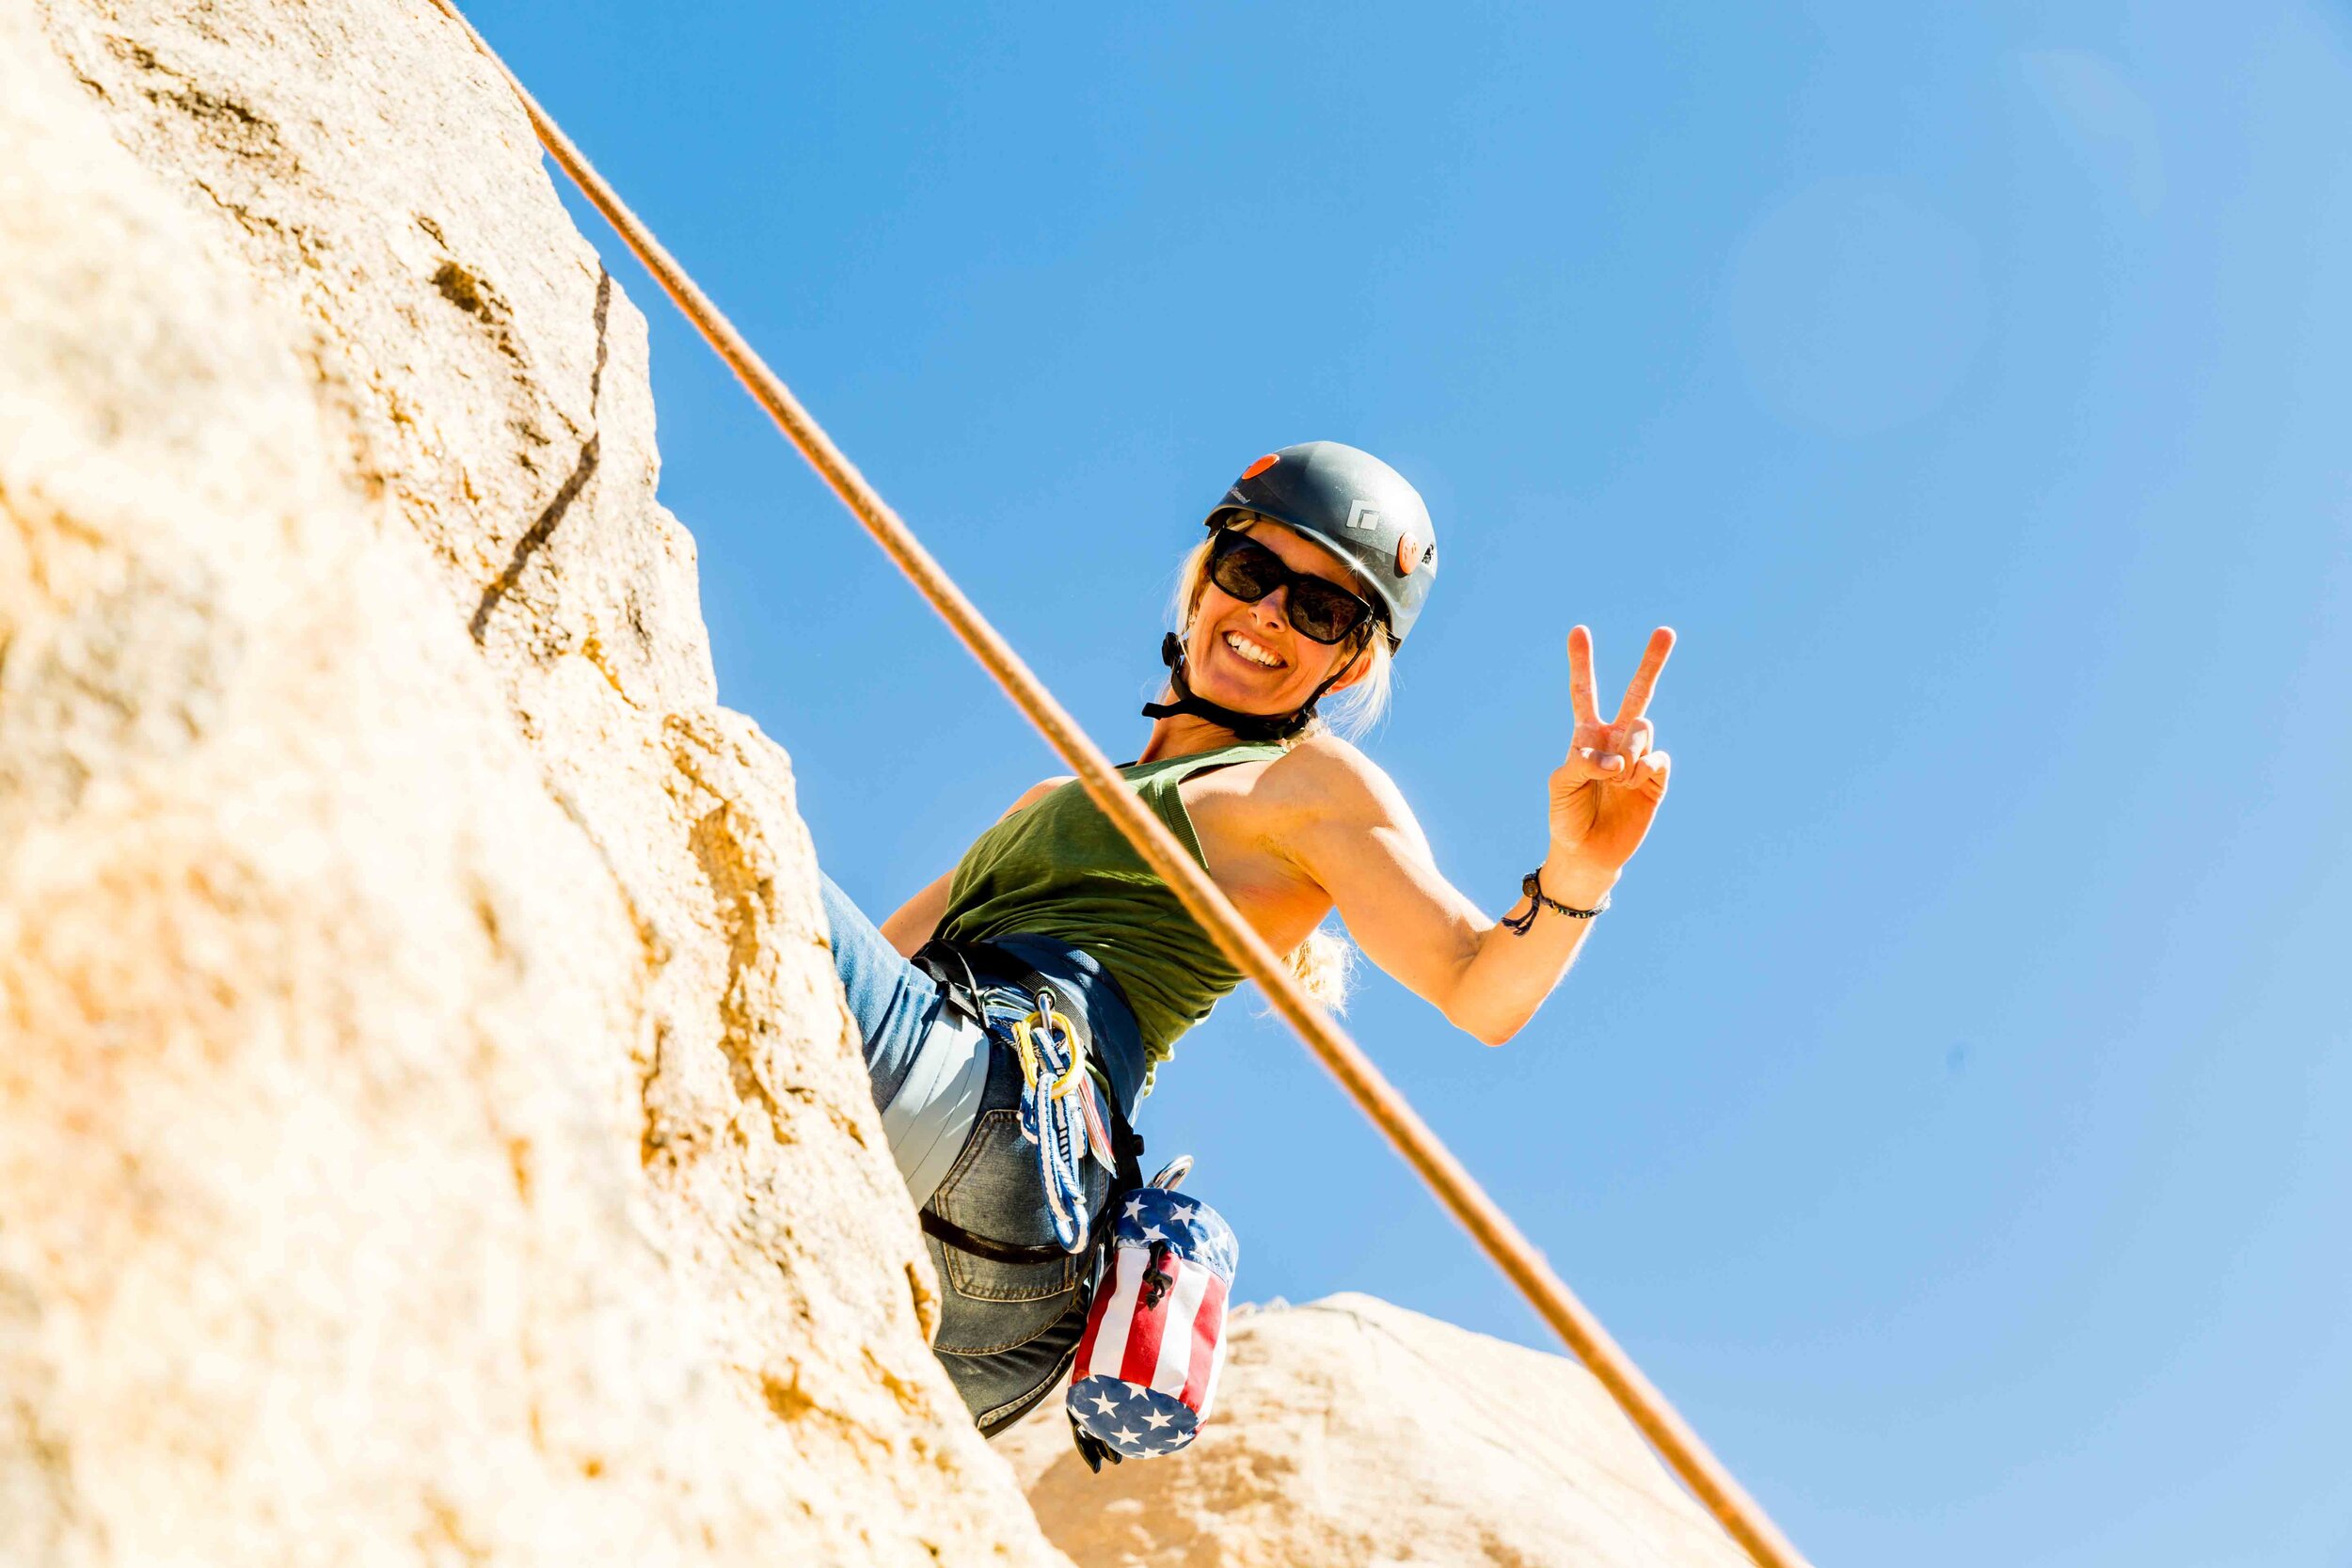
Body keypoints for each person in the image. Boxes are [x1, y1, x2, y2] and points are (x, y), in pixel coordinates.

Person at [819, 440, 1675, 1436]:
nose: (1271, 612)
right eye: (1253, 572)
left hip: (1002, 1132)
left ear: (1350, 659)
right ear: (1203, 578)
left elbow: (1477, 986)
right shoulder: (1052, 797)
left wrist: (1582, 868)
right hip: (996, 1300)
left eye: (1320, 610)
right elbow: (820, 988)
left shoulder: (1307, 787)